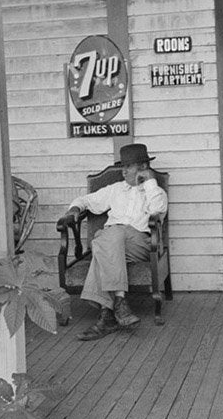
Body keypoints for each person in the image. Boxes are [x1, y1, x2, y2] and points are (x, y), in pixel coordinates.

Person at [57, 143, 168, 341]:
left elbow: (158, 211)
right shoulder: (115, 189)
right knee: (109, 240)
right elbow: (85, 201)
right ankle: (114, 307)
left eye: (129, 166)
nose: (123, 171)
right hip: (113, 243)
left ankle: (110, 311)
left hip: (139, 243)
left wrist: (150, 183)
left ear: (143, 167)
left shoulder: (155, 192)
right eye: (122, 166)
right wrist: (74, 209)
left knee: (105, 240)